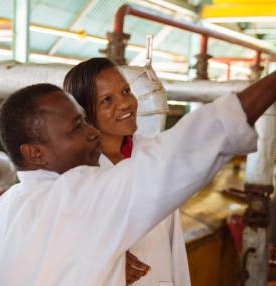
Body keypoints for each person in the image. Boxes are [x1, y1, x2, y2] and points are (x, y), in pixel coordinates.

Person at [0, 42, 276, 286]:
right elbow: (184, 150)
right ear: (35, 153)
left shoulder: (0, 216)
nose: (91, 132)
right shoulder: (82, 195)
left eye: (125, 91)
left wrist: (97, 265)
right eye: (79, 125)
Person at [63, 58, 189, 286]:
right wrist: (101, 261)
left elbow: (174, 241)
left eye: (126, 91)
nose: (125, 104)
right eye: (107, 100)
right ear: (84, 113)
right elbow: (58, 247)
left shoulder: (155, 157)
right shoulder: (73, 173)